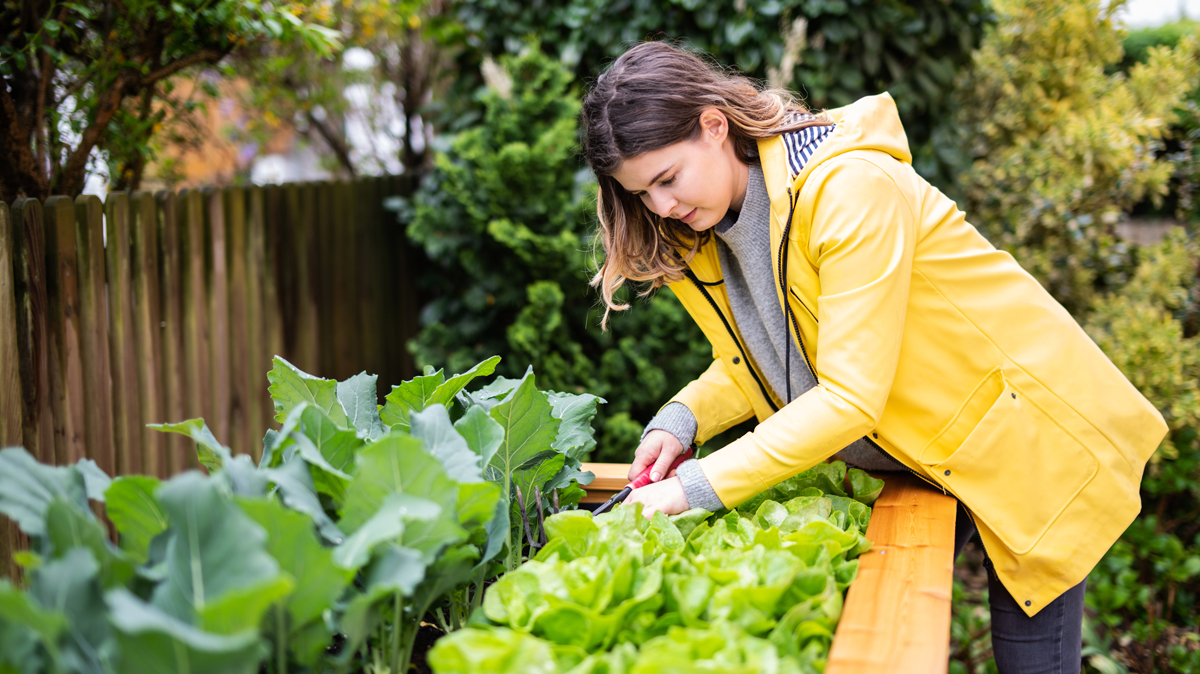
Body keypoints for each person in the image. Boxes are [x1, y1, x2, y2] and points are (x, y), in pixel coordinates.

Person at [580, 41, 1167, 673]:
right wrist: (683, 417)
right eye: (642, 194)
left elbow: (848, 396)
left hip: (1023, 436)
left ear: (714, 126)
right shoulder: (712, 227)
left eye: (667, 178)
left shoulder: (848, 189)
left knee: (1030, 662)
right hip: (923, 450)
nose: (663, 207)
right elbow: (767, 358)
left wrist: (694, 488)